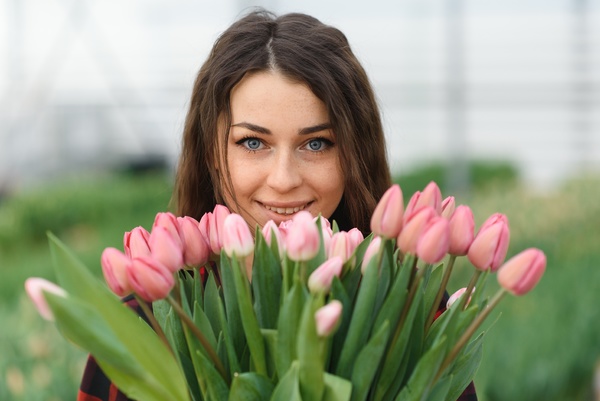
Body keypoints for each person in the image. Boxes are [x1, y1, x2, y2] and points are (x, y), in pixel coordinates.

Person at [77, 8, 476, 401]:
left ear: (354, 153)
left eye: (316, 143)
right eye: (253, 143)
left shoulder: (415, 315)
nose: (284, 180)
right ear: (213, 154)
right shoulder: (140, 326)